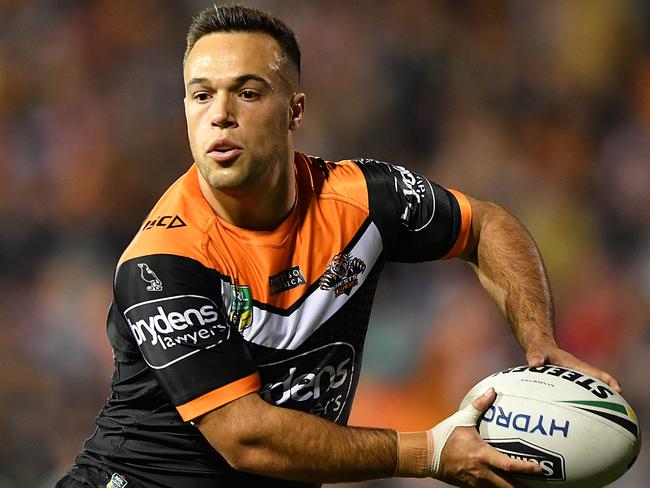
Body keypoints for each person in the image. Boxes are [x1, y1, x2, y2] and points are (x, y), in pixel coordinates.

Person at [56, 4, 622, 488]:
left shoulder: (360, 200)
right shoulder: (164, 261)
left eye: (247, 92)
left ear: (294, 110)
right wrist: (427, 452)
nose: (220, 115)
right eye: (200, 95)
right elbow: (246, 438)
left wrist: (540, 340)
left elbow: (487, 225)